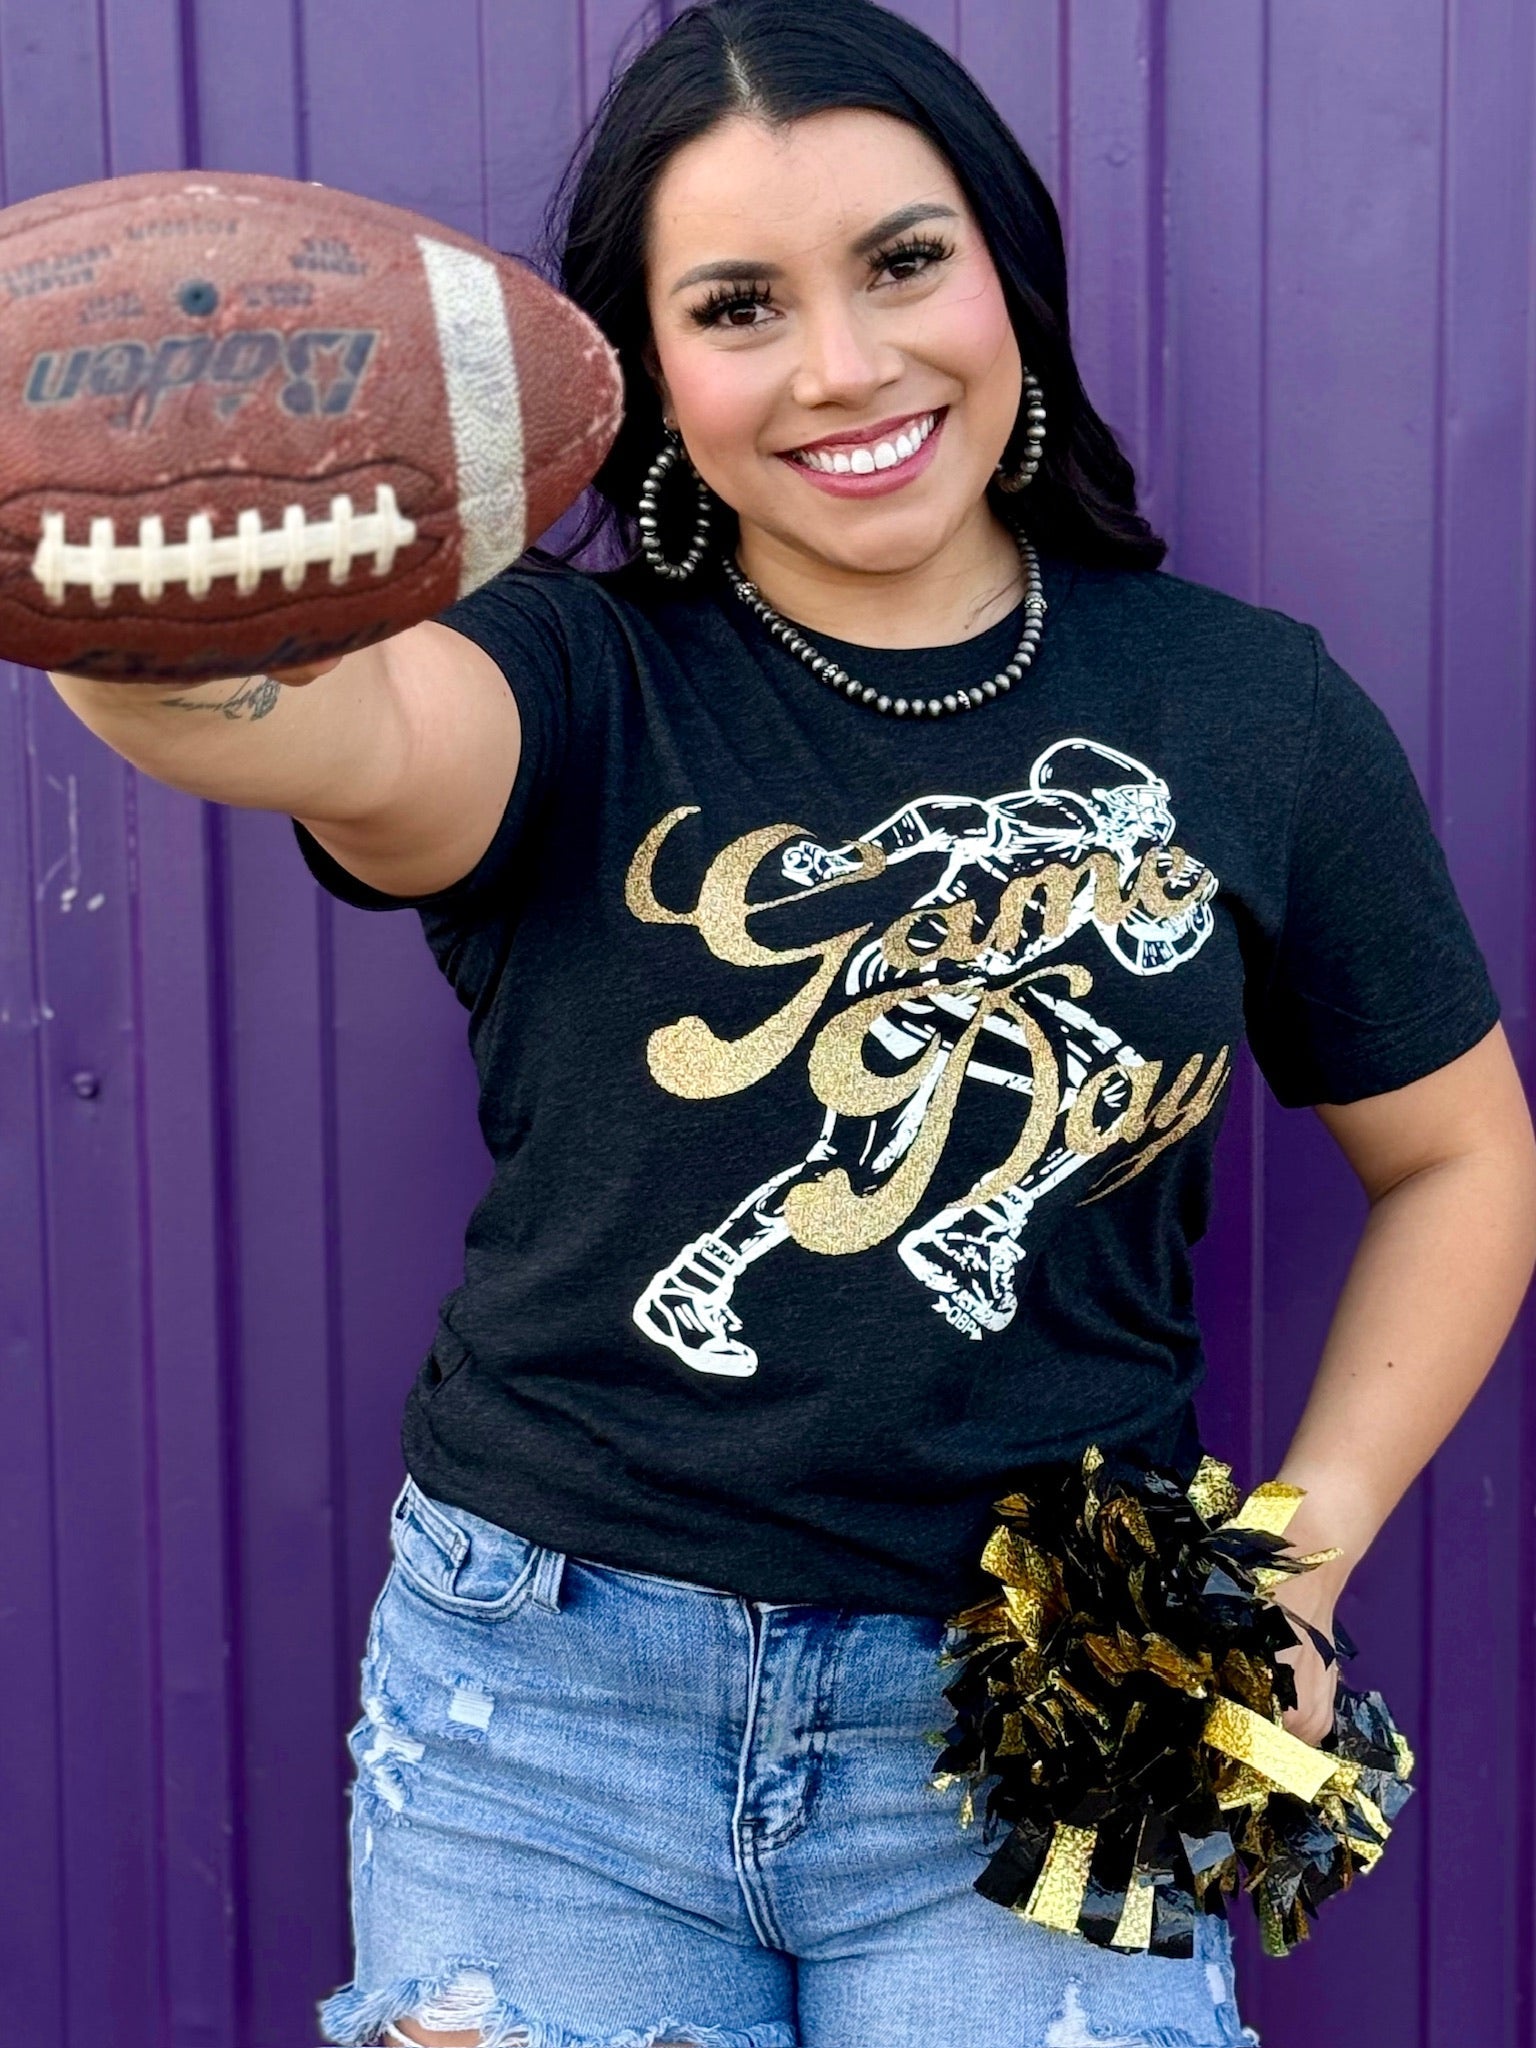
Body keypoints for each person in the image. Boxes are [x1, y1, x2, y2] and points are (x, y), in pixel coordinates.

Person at [44, 2, 1536, 2043]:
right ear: (650, 368)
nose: (844, 365)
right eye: (739, 305)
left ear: (1008, 265)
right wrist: (123, 588)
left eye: (905, 261)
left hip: (1035, 1728)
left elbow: (1463, 1156)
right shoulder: (564, 678)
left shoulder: (1249, 713)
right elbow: (329, 725)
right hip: (548, 1717)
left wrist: (1301, 1556)